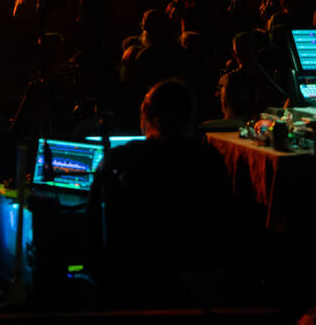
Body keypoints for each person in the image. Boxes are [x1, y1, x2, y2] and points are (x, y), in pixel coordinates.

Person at [88, 78, 234, 306]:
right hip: (197, 286)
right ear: (190, 116)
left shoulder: (120, 159)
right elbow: (224, 225)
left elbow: (94, 227)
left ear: (145, 113)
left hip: (133, 283)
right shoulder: (208, 159)